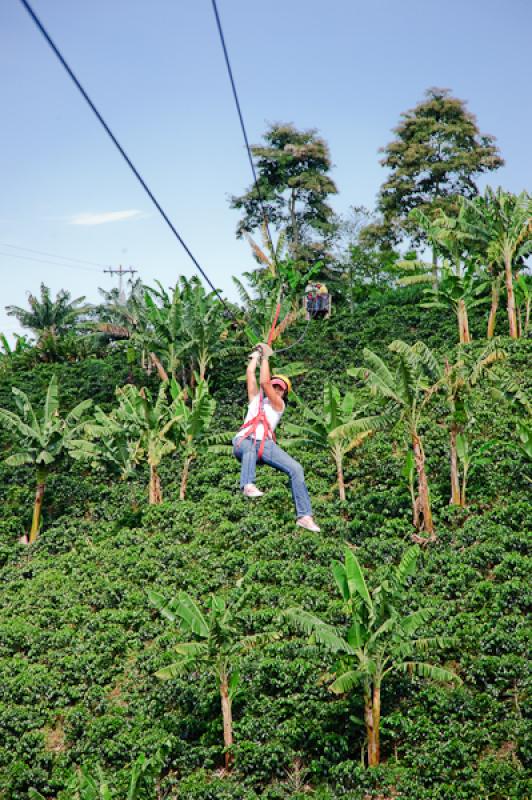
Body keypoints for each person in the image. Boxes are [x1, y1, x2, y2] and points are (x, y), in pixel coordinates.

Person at [232, 343, 321, 532]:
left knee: (296, 469)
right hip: (244, 441)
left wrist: (266, 356)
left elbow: (264, 382)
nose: (276, 390)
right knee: (249, 450)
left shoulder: (278, 405)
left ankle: (304, 515)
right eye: (275, 386)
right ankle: (247, 484)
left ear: (284, 393)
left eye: (280, 388)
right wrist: (256, 356)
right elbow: (250, 374)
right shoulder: (256, 399)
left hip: (266, 445)